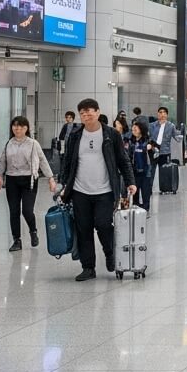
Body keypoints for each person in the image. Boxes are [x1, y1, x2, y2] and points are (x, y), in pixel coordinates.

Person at [57, 98, 137, 281]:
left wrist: (130, 181)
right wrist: (63, 185)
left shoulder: (111, 135)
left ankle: (109, 253)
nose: (86, 115)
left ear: (98, 112)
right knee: (83, 229)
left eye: (89, 111)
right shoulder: (76, 135)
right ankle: (88, 267)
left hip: (105, 191)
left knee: (103, 225)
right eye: (82, 113)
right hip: (79, 191)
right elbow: (68, 162)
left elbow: (123, 160)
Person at [0, 115, 55, 252]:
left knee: (27, 210)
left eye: (21, 126)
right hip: (12, 180)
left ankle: (33, 231)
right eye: (15, 126)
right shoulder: (9, 143)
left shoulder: (33, 143)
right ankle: (17, 240)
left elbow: (43, 161)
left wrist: (51, 178)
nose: (18, 129)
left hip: (29, 179)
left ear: (26, 128)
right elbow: (2, 162)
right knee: (14, 211)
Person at [126, 119, 156, 211]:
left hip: (146, 171)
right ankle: (136, 210)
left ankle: (145, 210)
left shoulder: (149, 141)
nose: (134, 128)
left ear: (142, 129)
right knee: (135, 192)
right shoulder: (130, 141)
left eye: (136, 127)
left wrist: (151, 147)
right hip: (134, 171)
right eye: (133, 127)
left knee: (146, 193)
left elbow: (157, 149)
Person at [149, 107, 175, 171]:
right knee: (151, 171)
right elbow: (148, 137)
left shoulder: (171, 126)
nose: (162, 114)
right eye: (160, 112)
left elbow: (176, 137)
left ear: (167, 115)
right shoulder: (152, 125)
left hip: (165, 152)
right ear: (158, 114)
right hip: (153, 151)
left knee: (164, 172)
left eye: (164, 112)